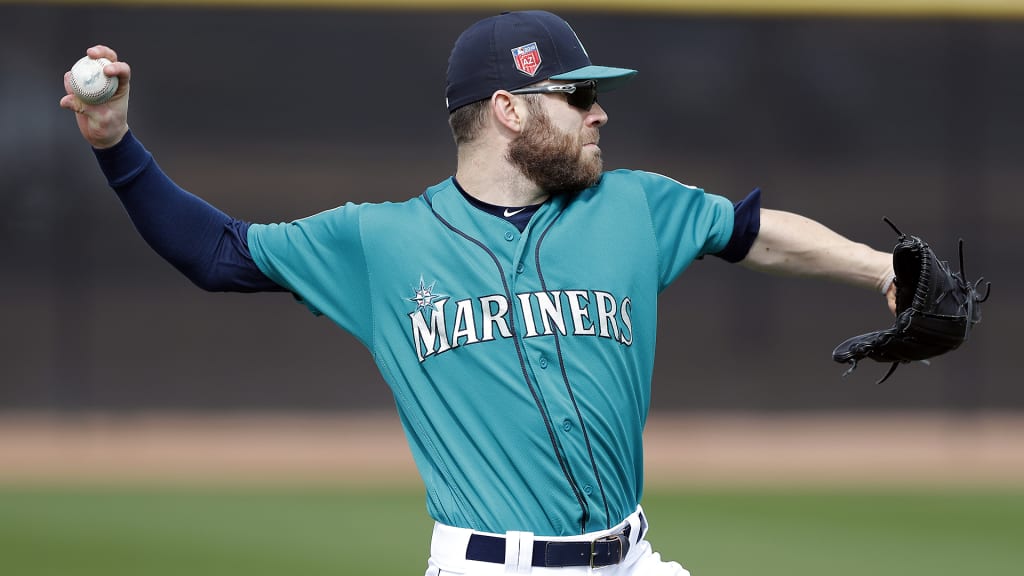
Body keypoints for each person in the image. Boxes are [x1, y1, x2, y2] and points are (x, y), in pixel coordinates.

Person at [62, 10, 896, 576]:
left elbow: (752, 231)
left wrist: (883, 271)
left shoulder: (633, 206)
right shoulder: (382, 242)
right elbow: (215, 252)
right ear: (507, 109)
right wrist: (115, 144)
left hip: (633, 557)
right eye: (578, 95)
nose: (599, 113)